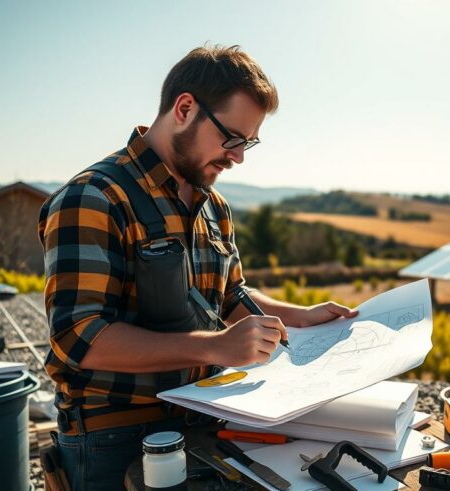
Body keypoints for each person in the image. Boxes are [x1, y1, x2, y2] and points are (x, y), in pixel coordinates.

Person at [38, 45, 358, 490]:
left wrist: (299, 316)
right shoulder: (93, 198)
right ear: (185, 108)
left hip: (207, 421)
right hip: (115, 438)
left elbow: (230, 298)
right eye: (232, 138)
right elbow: (79, 336)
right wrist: (216, 349)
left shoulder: (215, 207)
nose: (239, 156)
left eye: (248, 142)